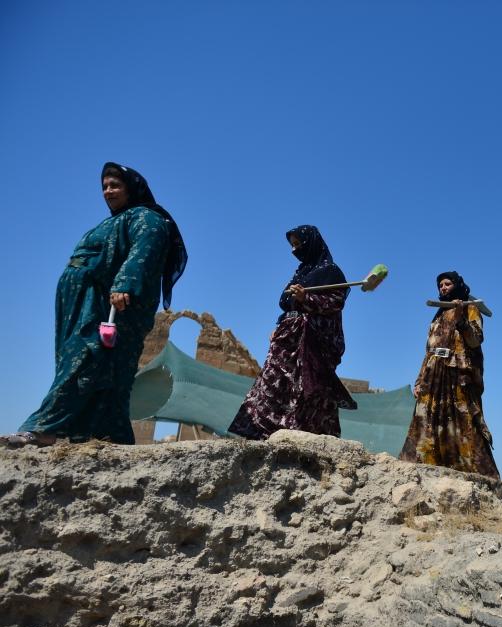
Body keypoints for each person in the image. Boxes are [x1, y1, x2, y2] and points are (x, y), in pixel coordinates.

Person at [6, 162, 187, 447]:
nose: (108, 191)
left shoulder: (146, 218)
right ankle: (108, 435)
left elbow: (146, 250)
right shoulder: (112, 221)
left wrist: (124, 283)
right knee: (101, 370)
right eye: (104, 186)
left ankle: (42, 428)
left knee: (84, 358)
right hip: (83, 302)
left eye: (115, 185)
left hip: (110, 306)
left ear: (131, 188)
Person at [228, 225, 356, 440]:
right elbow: (288, 304)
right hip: (287, 339)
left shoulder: (331, 271)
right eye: (292, 245)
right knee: (273, 383)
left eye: (298, 244)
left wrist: (307, 298)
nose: (294, 250)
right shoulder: (301, 272)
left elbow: (335, 302)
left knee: (305, 386)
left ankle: (302, 432)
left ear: (312, 242)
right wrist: (280, 326)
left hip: (310, 341)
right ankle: (265, 432)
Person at [399, 272, 499, 479]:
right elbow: (429, 349)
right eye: (441, 285)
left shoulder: (471, 309)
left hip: (457, 370)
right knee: (425, 416)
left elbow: (475, 340)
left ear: (457, 285)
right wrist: (419, 380)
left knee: (462, 416)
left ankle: (472, 471)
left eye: (448, 284)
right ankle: (422, 466)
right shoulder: (438, 314)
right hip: (433, 371)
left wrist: (461, 317)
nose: (443, 288)